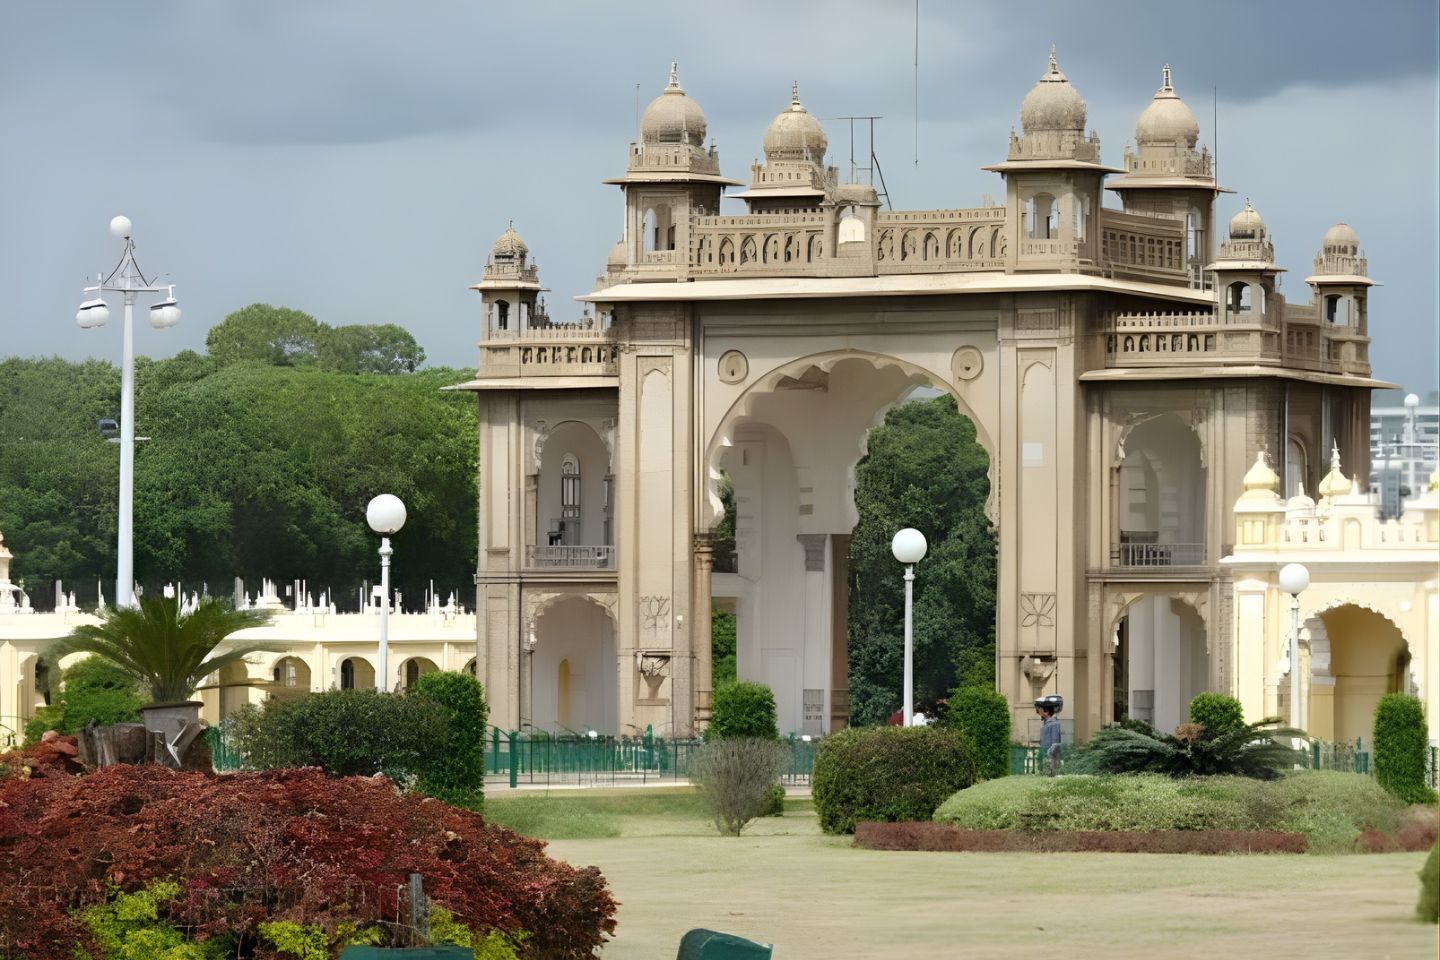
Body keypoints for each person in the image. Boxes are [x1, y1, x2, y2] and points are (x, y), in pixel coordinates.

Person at [1035, 695, 1063, 776]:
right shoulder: (1046, 724)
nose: (1038, 711)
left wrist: (1048, 757)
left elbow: (1055, 743)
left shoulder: (1054, 724)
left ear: (1046, 710)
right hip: (1045, 758)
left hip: (1050, 760)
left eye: (1039, 709)